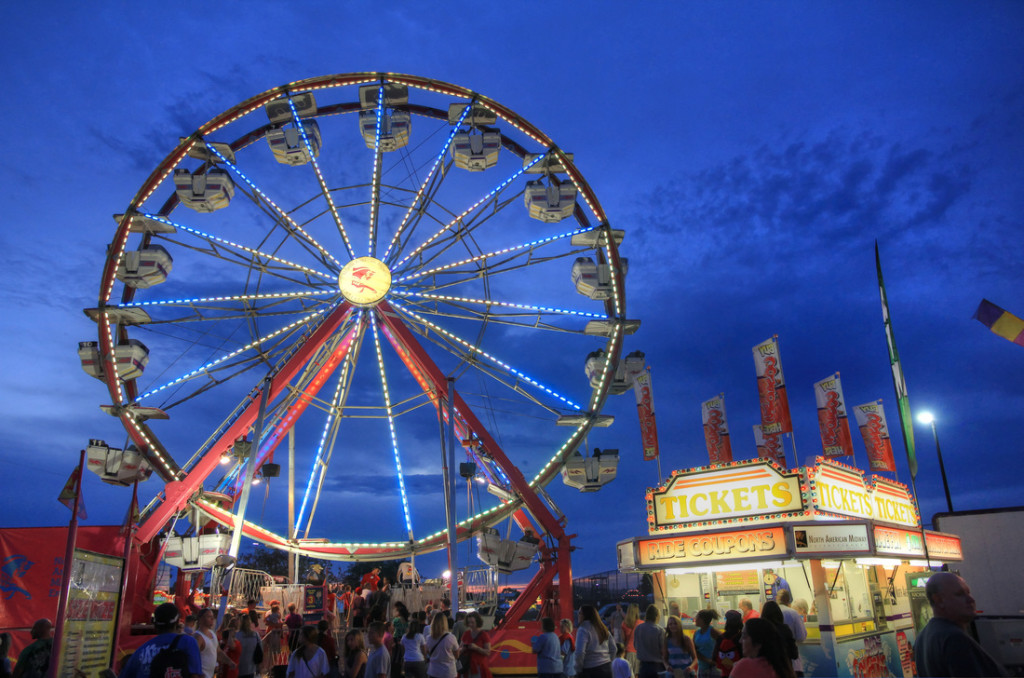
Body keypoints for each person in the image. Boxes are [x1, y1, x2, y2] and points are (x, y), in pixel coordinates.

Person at [913, 571, 1006, 677]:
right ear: (939, 600)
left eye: (968, 593)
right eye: (960, 594)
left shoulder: (923, 638)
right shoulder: (953, 638)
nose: (971, 599)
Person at [117, 603, 202, 678]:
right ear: (177, 622)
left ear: (155, 624)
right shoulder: (188, 642)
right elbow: (195, 675)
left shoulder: (141, 650)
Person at [574, 605, 615, 678]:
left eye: (580, 613)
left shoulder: (583, 629)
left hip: (591, 669)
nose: (578, 615)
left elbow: (580, 652)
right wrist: (609, 661)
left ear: (585, 615)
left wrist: (578, 670)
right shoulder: (603, 628)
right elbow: (613, 649)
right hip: (607, 668)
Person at [195, 608, 236, 678]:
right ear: (201, 619)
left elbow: (218, 651)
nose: (212, 619)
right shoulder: (198, 637)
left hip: (210, 674)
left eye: (212, 617)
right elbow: (193, 658)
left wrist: (229, 662)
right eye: (209, 616)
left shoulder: (212, 633)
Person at [758, 603, 796, 673]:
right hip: (784, 670)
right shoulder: (785, 629)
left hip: (765, 670)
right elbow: (794, 654)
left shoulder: (760, 630)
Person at [775, 592, 805, 677]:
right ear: (789, 600)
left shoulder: (769, 614)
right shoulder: (793, 613)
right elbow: (801, 636)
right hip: (793, 664)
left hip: (776, 665)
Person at [632, 605, 664, 678]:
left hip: (642, 667)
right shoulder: (660, 630)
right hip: (657, 667)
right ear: (657, 616)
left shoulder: (638, 628)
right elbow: (663, 650)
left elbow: (635, 646)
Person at [426, 612, 459, 678]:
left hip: (434, 671)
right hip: (448, 672)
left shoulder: (429, 638)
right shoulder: (451, 637)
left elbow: (428, 652)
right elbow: (457, 655)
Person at [460, 611, 491, 678]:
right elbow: (460, 649)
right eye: (469, 622)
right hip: (467, 666)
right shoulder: (466, 634)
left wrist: (476, 648)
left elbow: (488, 652)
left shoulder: (484, 635)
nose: (470, 624)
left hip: (479, 666)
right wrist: (463, 649)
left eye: (472, 622)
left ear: (477, 622)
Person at [713, 611, 743, 678]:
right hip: (738, 673)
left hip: (724, 673)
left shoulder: (721, 638)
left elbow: (714, 657)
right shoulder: (741, 637)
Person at [692, 610, 720, 678]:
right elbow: (693, 649)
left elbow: (723, 645)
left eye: (697, 617)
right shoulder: (696, 633)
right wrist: (707, 660)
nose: (695, 619)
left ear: (703, 619)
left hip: (714, 667)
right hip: (702, 667)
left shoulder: (713, 631)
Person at [620, 604, 640, 676]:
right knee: (637, 674)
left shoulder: (624, 624)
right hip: (639, 652)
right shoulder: (641, 623)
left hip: (629, 652)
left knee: (629, 674)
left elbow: (623, 639)